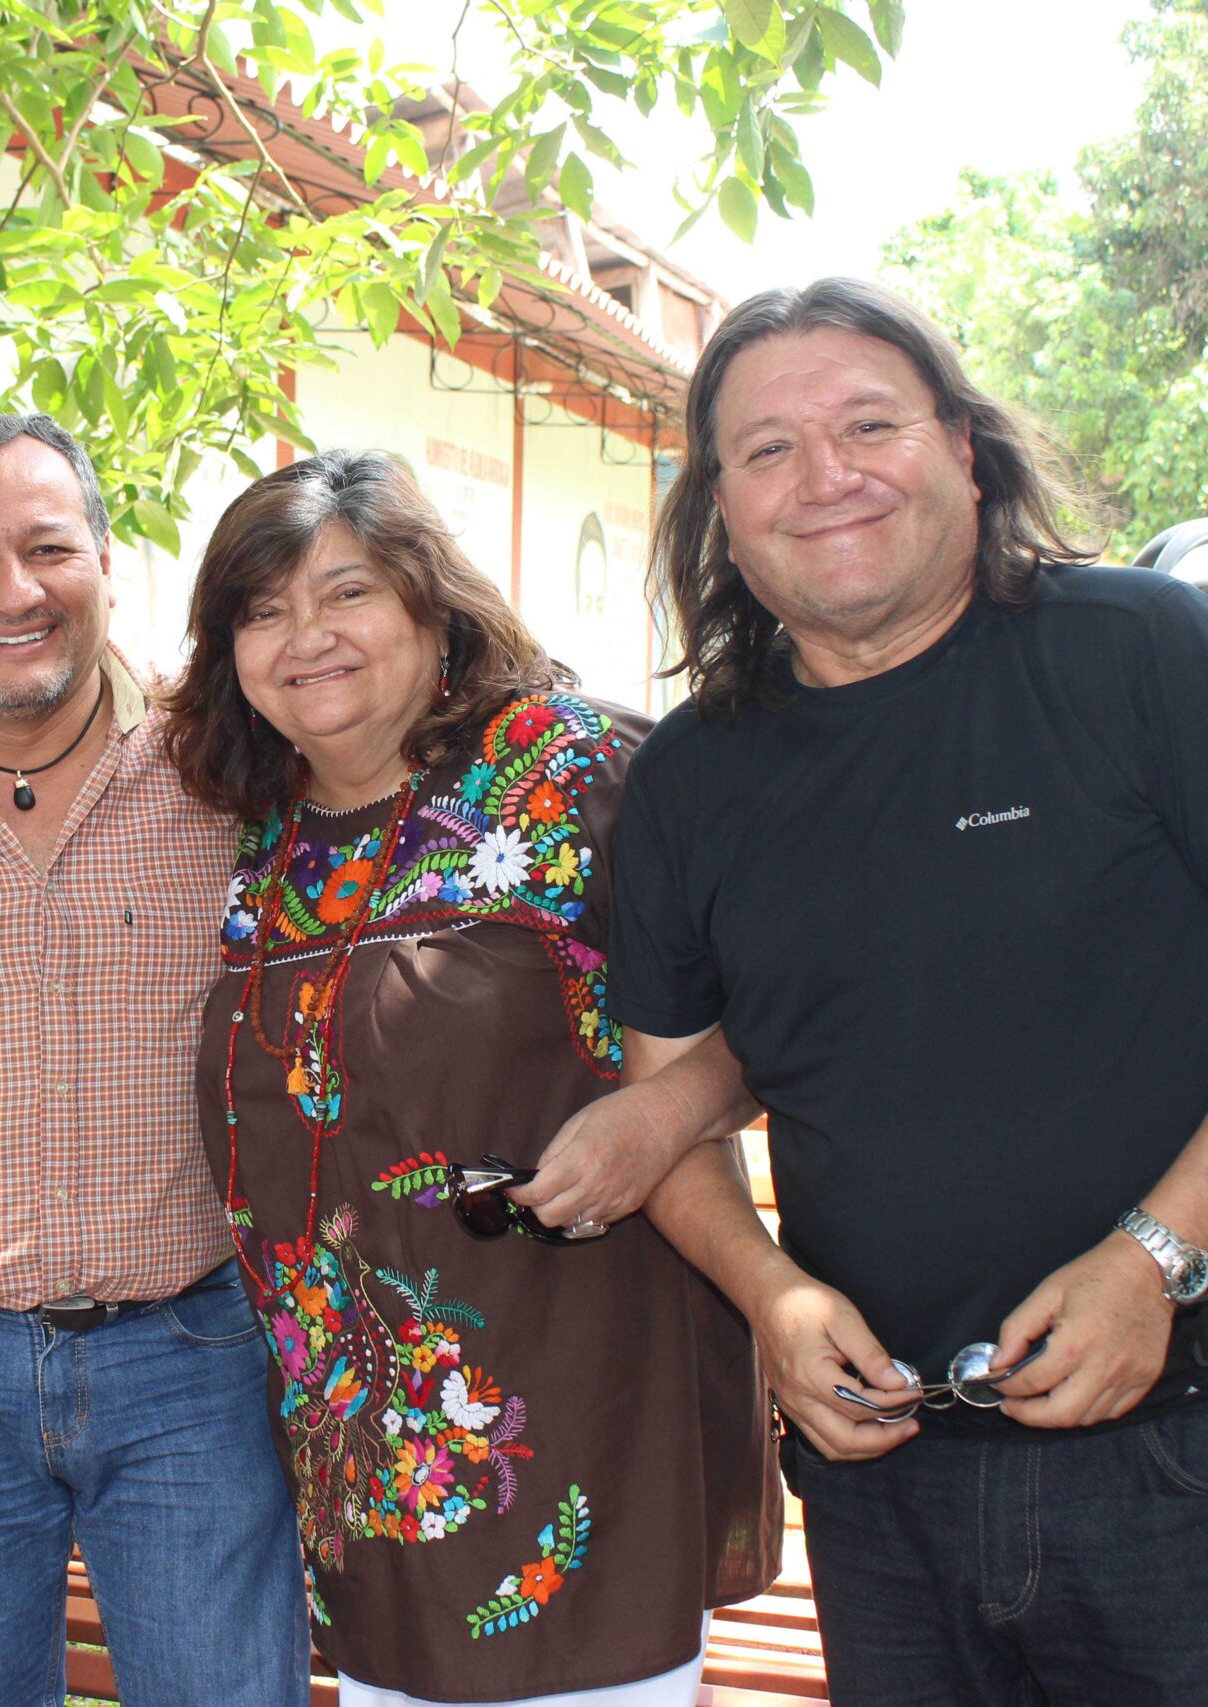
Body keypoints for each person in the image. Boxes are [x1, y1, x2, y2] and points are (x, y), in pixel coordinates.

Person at [587, 277, 1208, 1705]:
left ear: (963, 448)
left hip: (1173, 1450)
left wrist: (1151, 1258)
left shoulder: (1137, 650)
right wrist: (771, 1295)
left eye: (868, 424)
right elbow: (671, 1110)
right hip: (882, 1477)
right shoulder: (686, 780)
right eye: (768, 449)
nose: (824, 475)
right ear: (720, 508)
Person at [160, 449, 781, 1707]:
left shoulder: (580, 776)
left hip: (583, 1401)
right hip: (355, 1451)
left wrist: (660, 1114)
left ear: (432, 607)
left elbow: (794, 1008)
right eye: (263, 612)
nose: (307, 638)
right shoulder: (245, 834)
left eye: (346, 593)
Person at [0, 413, 309, 1707]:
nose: (13, 590)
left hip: (191, 1347)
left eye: (46, 547)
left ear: (105, 562)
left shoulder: (228, 754)